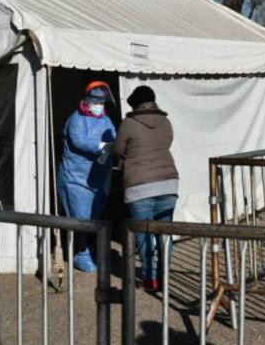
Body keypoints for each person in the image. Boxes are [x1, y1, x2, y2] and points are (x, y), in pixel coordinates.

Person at [113, 86, 179, 291]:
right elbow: (167, 143)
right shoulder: (166, 122)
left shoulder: (129, 124)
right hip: (168, 182)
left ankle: (150, 279)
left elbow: (118, 149)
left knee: (144, 235)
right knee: (164, 232)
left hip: (140, 186)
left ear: (135, 104)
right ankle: (164, 276)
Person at [57, 81, 116, 272]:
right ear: (88, 100)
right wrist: (101, 146)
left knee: (94, 217)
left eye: (102, 101)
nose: (99, 104)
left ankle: (88, 249)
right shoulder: (76, 119)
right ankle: (80, 253)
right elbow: (79, 141)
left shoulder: (105, 119)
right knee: (81, 218)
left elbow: (113, 136)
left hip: (99, 178)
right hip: (76, 178)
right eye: (96, 100)